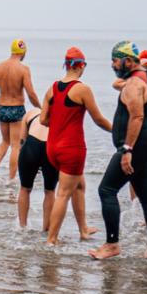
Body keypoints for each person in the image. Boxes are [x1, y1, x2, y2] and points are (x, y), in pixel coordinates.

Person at [89, 42, 147, 260]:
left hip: (137, 145)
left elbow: (137, 116)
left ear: (128, 61)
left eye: (115, 60)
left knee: (107, 190)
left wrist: (126, 149)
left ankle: (112, 244)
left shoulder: (134, 84)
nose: (113, 64)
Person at [41, 48, 111, 244]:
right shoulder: (82, 89)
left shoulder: (52, 88)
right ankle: (51, 239)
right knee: (63, 193)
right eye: (84, 66)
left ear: (66, 64)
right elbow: (98, 119)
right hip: (72, 149)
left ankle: (83, 230)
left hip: (52, 148)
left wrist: (60, 120)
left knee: (79, 185)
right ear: (80, 65)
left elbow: (43, 119)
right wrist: (118, 132)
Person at [0, 39, 41, 179]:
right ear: (23, 52)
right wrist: (41, 108)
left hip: (2, 108)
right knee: (16, 146)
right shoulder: (23, 69)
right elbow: (31, 93)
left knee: (5, 141)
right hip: (16, 108)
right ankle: (11, 179)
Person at [16, 108, 59, 230]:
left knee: (25, 188)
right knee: (49, 191)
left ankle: (22, 227)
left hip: (31, 147)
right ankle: (46, 229)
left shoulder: (31, 113)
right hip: (51, 148)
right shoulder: (62, 115)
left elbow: (22, 141)